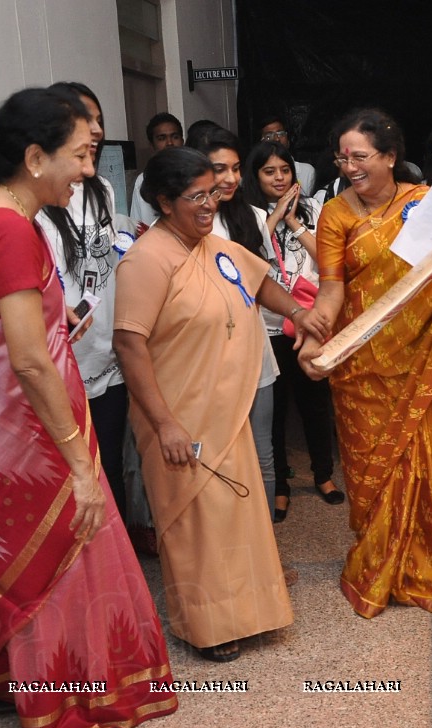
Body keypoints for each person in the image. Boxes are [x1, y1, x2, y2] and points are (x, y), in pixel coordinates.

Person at [0, 87, 176, 728]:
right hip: (30, 438)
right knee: (53, 568)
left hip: (13, 431)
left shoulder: (2, 216)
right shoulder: (7, 226)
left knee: (30, 564)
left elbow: (10, 331)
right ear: (34, 157)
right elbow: (29, 361)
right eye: (80, 155)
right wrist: (79, 464)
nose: (88, 171)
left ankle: (11, 686)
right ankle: (54, 722)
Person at [114, 146, 327, 661]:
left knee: (236, 512)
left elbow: (259, 283)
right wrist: (163, 423)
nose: (210, 204)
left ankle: (250, 610)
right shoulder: (148, 259)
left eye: (212, 192)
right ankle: (207, 626)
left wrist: (302, 313)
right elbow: (128, 343)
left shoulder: (215, 246)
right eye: (196, 196)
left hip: (229, 404)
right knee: (198, 525)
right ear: (165, 202)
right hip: (181, 414)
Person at [298, 108, 432, 618]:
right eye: (342, 157)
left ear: (390, 157)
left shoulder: (424, 205)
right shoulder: (335, 214)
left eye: (361, 156)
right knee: (371, 471)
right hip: (360, 363)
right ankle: (375, 565)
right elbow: (332, 288)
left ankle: (418, 567)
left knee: (417, 462)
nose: (350, 166)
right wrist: (317, 333)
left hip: (419, 354)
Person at [186, 125, 287, 531]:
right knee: (217, 452)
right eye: (218, 169)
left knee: (261, 453)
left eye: (235, 168)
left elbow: (263, 284)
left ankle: (265, 556)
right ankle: (224, 549)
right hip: (206, 357)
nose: (229, 179)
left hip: (252, 347)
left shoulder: (255, 216)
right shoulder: (187, 220)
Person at [38, 82, 130, 522]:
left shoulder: (103, 190)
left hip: (108, 349)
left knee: (111, 460)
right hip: (65, 357)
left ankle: (123, 567)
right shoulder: (35, 205)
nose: (93, 129)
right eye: (82, 120)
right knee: (75, 471)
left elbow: (109, 260)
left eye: (97, 119)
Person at [242, 139, 344, 521]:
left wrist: (294, 221)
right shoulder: (246, 212)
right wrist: (272, 218)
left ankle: (324, 476)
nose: (280, 178)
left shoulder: (316, 208)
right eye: (269, 172)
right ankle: (281, 485)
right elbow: (247, 260)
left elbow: (329, 260)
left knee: (315, 402)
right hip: (268, 325)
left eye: (285, 170)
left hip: (310, 318)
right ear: (256, 177)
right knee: (277, 410)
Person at [129, 112, 184, 230]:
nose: (169, 143)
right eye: (162, 138)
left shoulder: (194, 177)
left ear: (183, 141)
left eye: (175, 136)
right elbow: (136, 225)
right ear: (152, 145)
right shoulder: (143, 180)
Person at [259, 113, 317, 195]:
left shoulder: (306, 171)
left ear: (288, 140)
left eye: (281, 134)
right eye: (269, 136)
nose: (276, 139)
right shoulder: (253, 172)